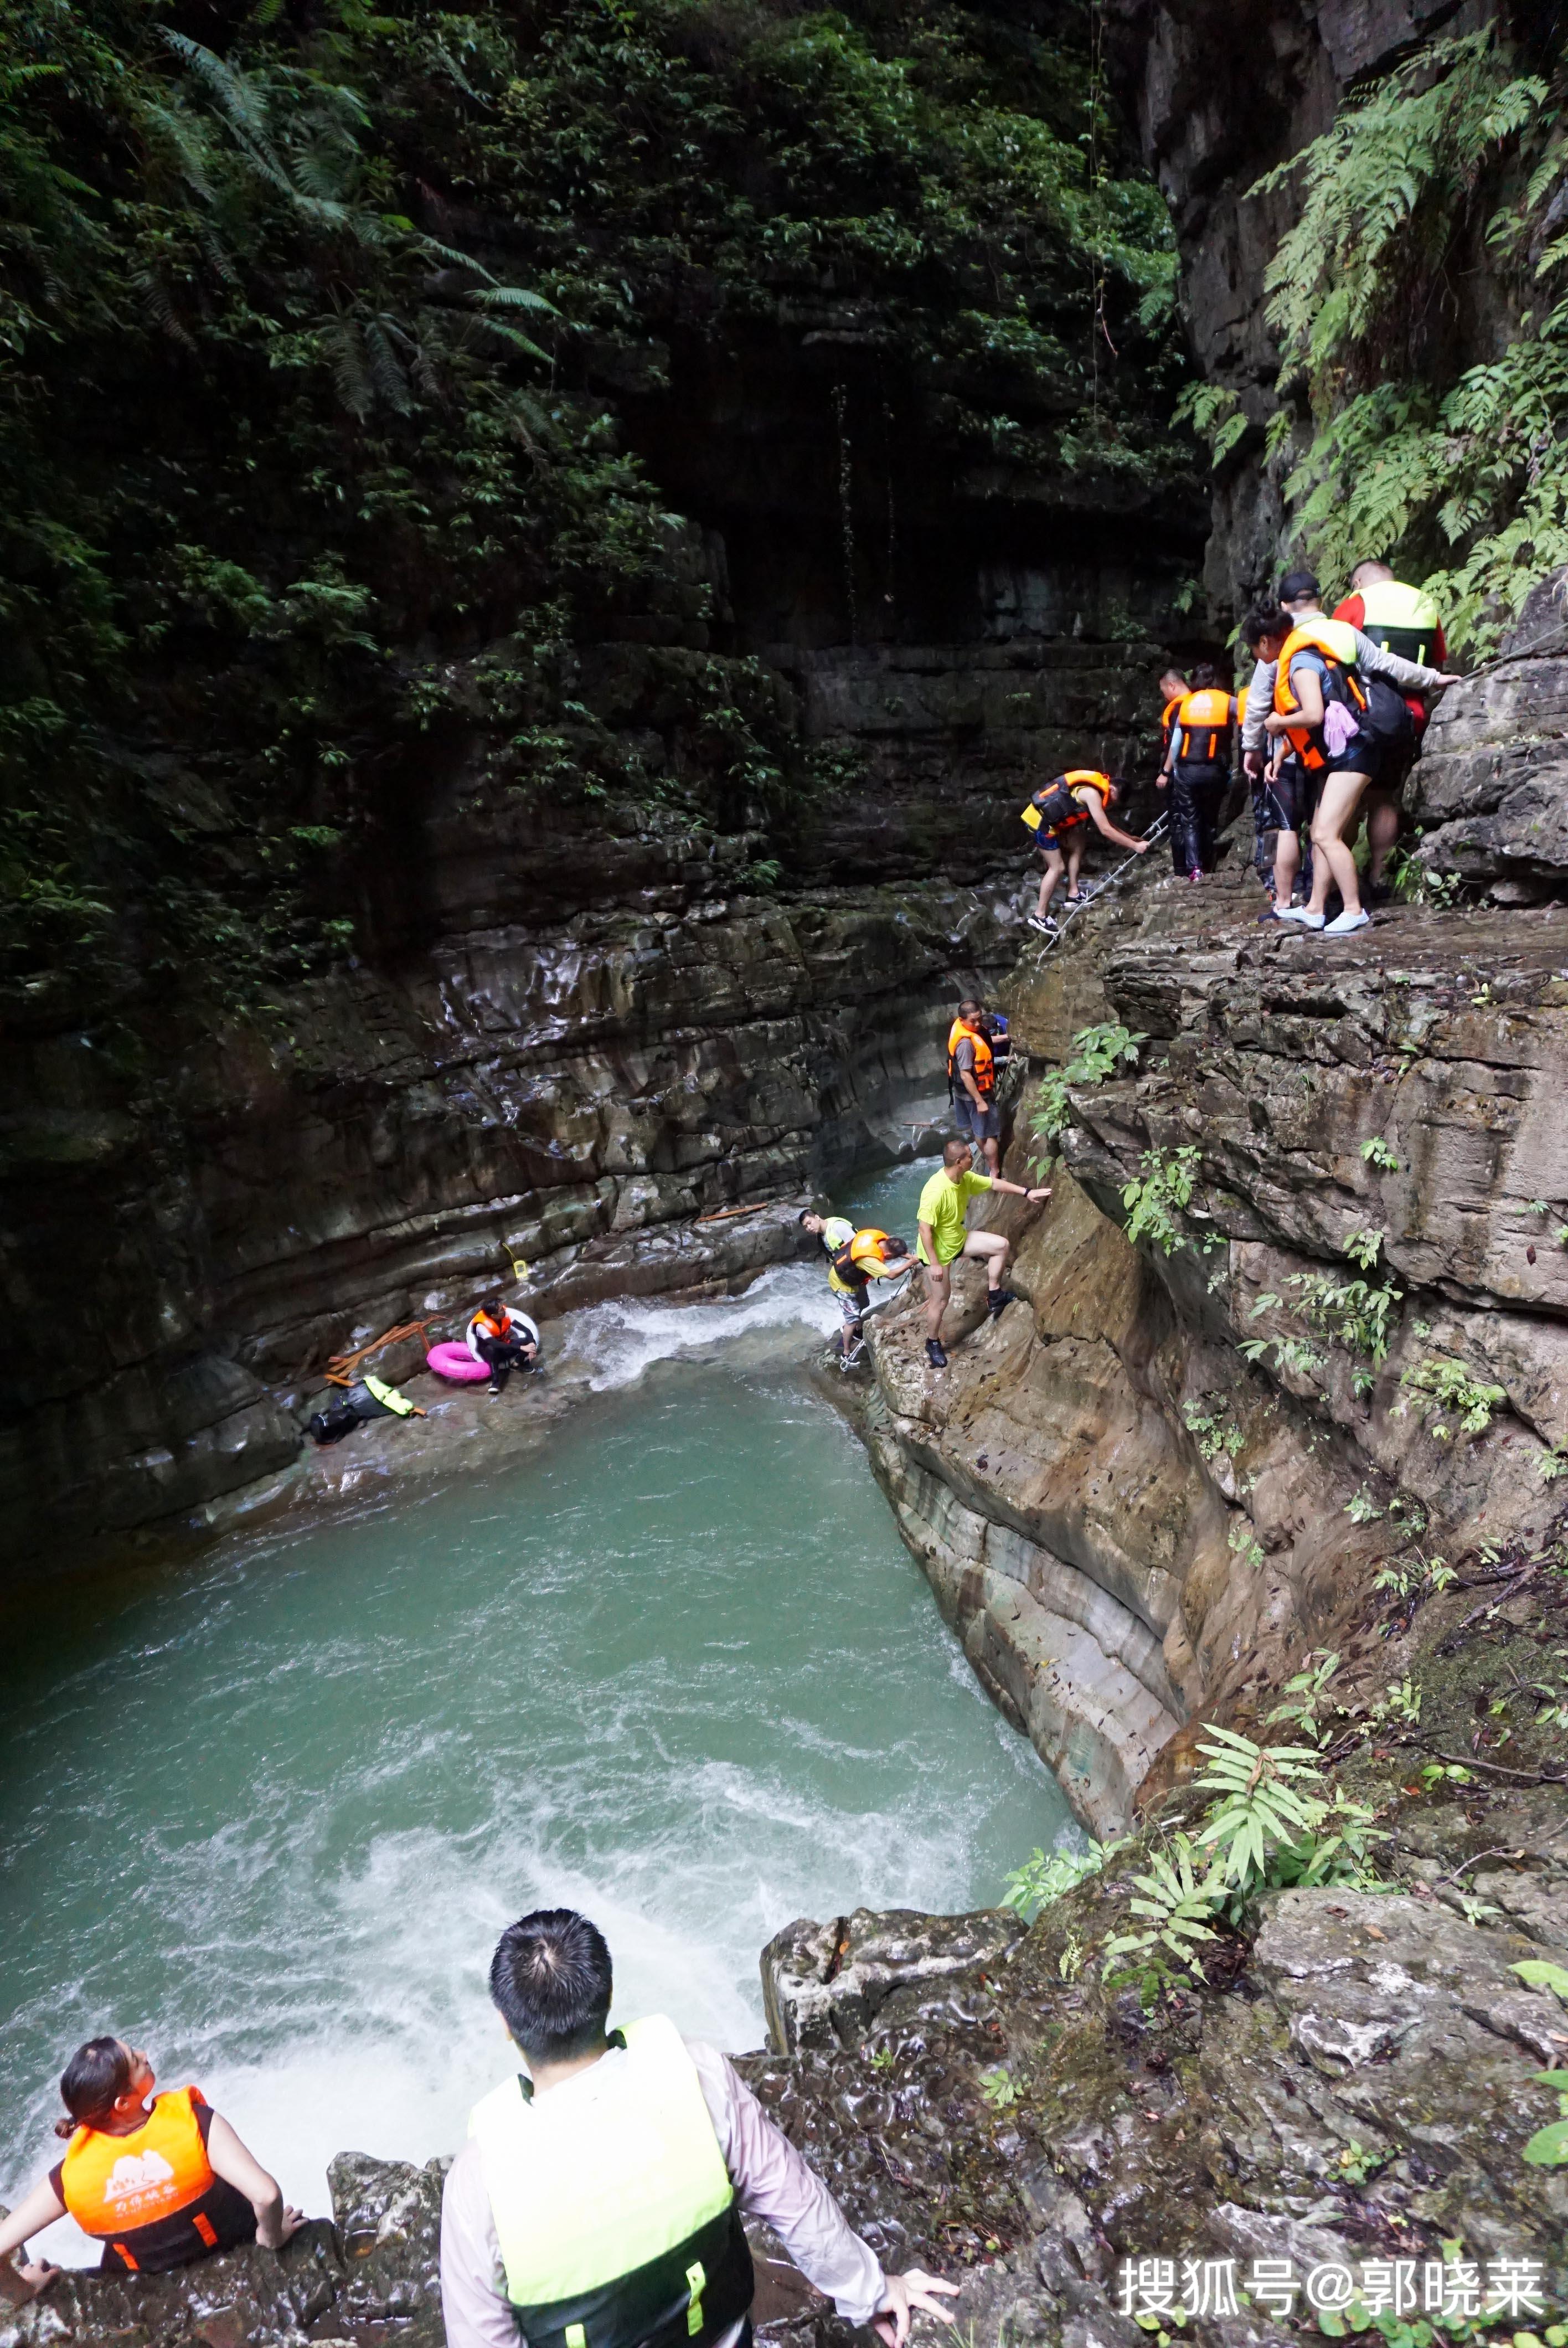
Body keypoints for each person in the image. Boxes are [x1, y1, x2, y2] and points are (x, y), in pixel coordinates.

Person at [440, 1908, 959, 2348]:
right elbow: (795, 2202)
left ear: (505, 2024)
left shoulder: (478, 2178)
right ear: (610, 1992)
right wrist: (872, 2291)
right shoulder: (697, 2076)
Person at [0, 2037, 304, 2284]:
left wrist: (24, 2293)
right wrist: (271, 2237)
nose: (144, 2054)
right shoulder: (196, 2123)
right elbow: (267, 2196)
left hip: (143, 2277)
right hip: (230, 2242)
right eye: (134, 2059)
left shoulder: (70, 2177)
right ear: (122, 2103)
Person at [1260, 571, 1459, 934]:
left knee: (1325, 832)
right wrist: (1432, 678)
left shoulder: (1295, 647)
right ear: (1319, 600)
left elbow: (1291, 706)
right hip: (1378, 729)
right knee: (1354, 815)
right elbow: (1389, 665)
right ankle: (1326, 902)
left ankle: (1350, 907)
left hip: (1341, 748)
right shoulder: (1342, 631)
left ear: (1285, 611)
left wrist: (1266, 736)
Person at [1332, 559, 1447, 900]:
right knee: (1384, 796)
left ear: (1358, 581)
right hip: (1409, 715)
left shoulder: (1357, 603)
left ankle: (1342, 879)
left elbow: (1334, 655)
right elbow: (1436, 662)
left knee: (1347, 798)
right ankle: (1381, 874)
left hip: (1363, 715)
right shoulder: (1424, 603)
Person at [915, 1136, 1050, 1370]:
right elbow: (924, 1229)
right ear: (960, 1161)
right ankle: (932, 1342)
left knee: (1001, 1246)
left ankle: (995, 1295)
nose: (973, 1156)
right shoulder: (935, 1191)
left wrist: (1027, 1192)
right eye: (969, 1155)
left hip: (957, 1239)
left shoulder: (964, 1178)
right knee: (941, 1300)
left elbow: (994, 1184)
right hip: (937, 1254)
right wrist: (935, 1264)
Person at [1022, 771, 1149, 933]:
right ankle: (1039, 915)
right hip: (1039, 824)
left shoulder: (1094, 791)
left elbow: (1106, 823)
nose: (1110, 804)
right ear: (1114, 790)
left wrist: (1130, 838)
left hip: (1049, 823)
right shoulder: (1091, 793)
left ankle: (1073, 894)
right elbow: (1105, 830)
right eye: (1113, 801)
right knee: (1057, 868)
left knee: (1079, 842)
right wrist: (1134, 846)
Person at [1156, 662, 1236, 881]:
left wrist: (1168, 772)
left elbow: (1175, 744)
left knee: (1189, 820)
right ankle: (1208, 864)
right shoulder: (1227, 701)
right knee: (1210, 819)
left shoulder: (1186, 705)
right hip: (1216, 772)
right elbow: (1251, 716)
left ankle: (1195, 869)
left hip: (1189, 773)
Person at [798, 1210, 910, 1367]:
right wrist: (910, 1262)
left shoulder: (838, 1227)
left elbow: (873, 1246)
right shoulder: (822, 1235)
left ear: (817, 1217)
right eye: (805, 1227)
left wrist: (909, 1257)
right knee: (852, 1317)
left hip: (851, 1271)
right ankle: (846, 1351)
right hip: (844, 1277)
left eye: (809, 1223)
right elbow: (889, 1272)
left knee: (863, 1303)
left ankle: (855, 1330)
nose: (809, 1228)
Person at [947, 998, 1001, 1172]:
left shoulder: (965, 1030)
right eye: (973, 1021)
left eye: (980, 1018)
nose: (978, 1024)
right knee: (988, 1134)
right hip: (976, 1094)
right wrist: (980, 1101)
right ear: (962, 1020)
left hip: (963, 1093)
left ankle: (988, 1164)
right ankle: (994, 1170)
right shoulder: (965, 1044)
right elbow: (965, 1074)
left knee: (979, 1132)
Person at [467, 1299, 541, 1396]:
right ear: (494, 1316)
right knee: (492, 1350)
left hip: (505, 1346)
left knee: (528, 1340)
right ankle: (495, 1382)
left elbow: (526, 1330)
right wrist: (522, 1348)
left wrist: (532, 1345)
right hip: (489, 1351)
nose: (504, 1309)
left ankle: (517, 1364)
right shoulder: (481, 1325)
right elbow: (495, 1344)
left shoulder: (505, 1315)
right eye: (501, 1309)